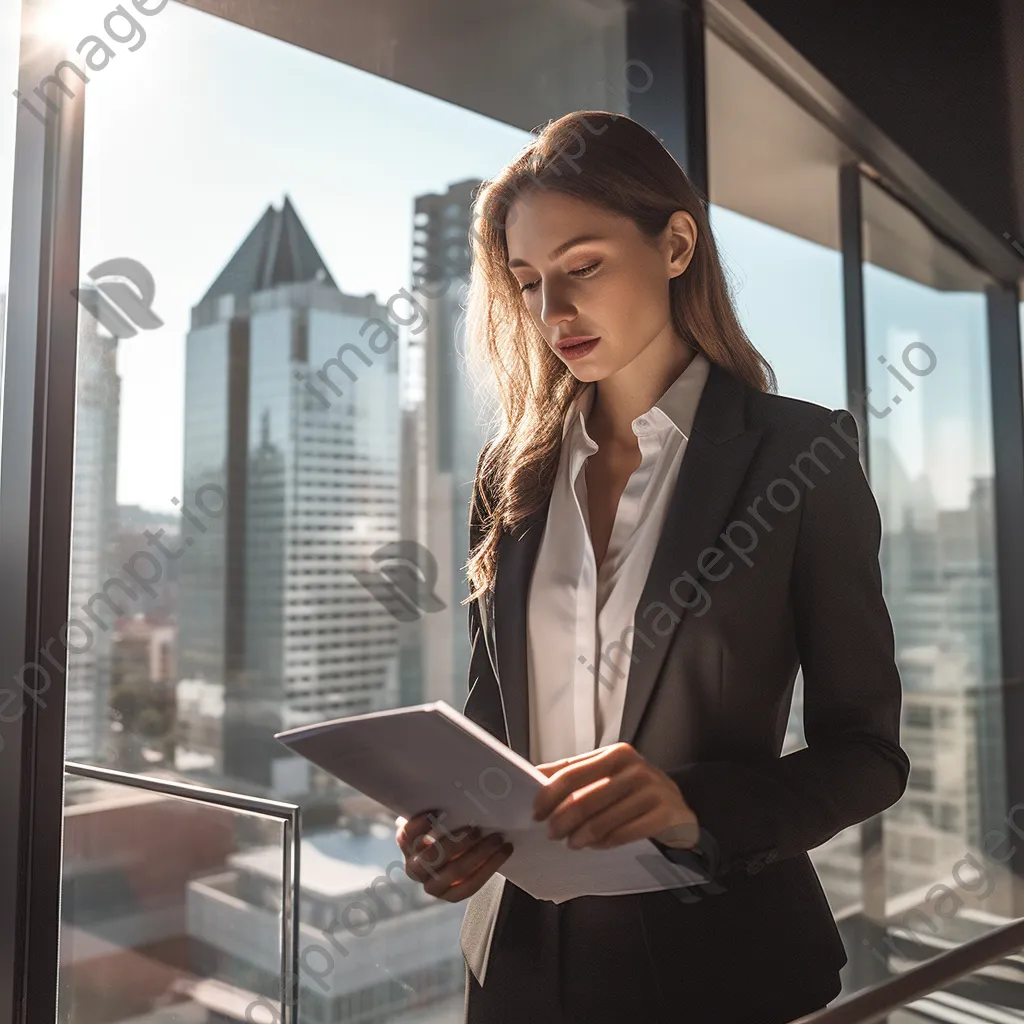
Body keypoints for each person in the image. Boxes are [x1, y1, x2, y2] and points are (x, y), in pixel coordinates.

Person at [394, 110, 911, 1024]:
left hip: (719, 967)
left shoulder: (800, 456)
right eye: (527, 282)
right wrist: (451, 827)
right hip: (514, 969)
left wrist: (685, 805)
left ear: (676, 245)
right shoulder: (509, 475)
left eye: (583, 266)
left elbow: (867, 756)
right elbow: (492, 725)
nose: (552, 312)